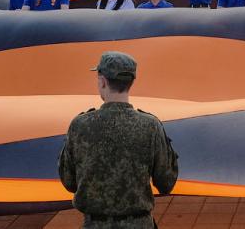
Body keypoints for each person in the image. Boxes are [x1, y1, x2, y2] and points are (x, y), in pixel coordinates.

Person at [58, 51, 178, 225]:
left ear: (102, 81)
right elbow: (166, 182)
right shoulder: (151, 125)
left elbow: (69, 182)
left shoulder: (80, 125)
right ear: (131, 82)